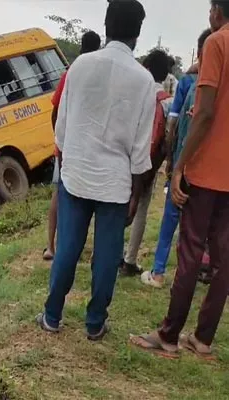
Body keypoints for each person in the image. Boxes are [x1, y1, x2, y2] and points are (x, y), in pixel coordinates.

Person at [37, 0, 153, 341]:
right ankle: (94, 323)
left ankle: (52, 315)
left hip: (76, 177)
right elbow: (141, 147)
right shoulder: (144, 80)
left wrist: (70, 161)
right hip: (116, 184)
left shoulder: (80, 66)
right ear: (137, 34)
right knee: (106, 258)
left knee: (68, 248)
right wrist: (134, 192)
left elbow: (62, 130)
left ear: (107, 25)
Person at [130, 0, 229, 359]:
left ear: (218, 11)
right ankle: (203, 340)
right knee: (222, 259)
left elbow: (202, 115)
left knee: (189, 253)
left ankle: (169, 336)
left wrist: (181, 165)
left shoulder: (217, 43)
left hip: (206, 171)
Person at [141, 29, 213, 288]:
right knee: (195, 229)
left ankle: (158, 272)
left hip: (185, 165)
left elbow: (172, 126)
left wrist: (173, 164)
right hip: (209, 173)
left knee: (170, 220)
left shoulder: (188, 83)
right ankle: (187, 279)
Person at [43, 30, 101, 262]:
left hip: (66, 146)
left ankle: (51, 246)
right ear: (97, 49)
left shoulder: (71, 72)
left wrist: (60, 141)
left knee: (60, 194)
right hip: (88, 147)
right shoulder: (96, 74)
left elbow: (55, 111)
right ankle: (88, 248)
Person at [118, 49, 173, 277]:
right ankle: (130, 260)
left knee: (119, 205)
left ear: (147, 68)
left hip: (126, 160)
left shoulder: (135, 92)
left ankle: (112, 254)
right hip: (149, 165)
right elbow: (169, 139)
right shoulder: (168, 102)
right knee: (141, 209)